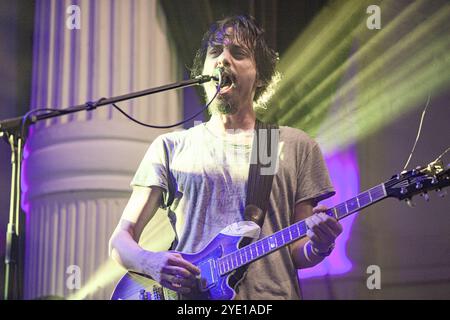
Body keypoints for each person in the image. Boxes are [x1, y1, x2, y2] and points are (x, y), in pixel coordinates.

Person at [109, 14, 343, 300]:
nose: (223, 59)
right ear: (203, 70)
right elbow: (121, 239)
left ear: (260, 76)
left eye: (239, 53)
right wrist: (150, 263)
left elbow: (296, 251)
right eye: (215, 52)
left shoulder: (291, 145)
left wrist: (320, 245)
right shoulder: (170, 147)